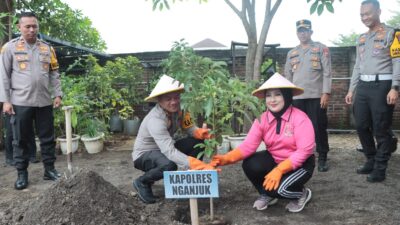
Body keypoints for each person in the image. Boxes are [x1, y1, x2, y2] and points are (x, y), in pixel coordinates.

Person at [211, 73, 315, 213]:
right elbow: (248, 146)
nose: (272, 100)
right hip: (275, 159)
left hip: (300, 165)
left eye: (277, 94)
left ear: (287, 96)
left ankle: (301, 193)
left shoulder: (300, 118)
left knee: (281, 190)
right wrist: (225, 158)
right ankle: (267, 194)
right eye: (268, 95)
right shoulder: (262, 119)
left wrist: (279, 170)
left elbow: (304, 152)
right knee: (250, 163)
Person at [0, 12, 62, 190]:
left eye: (34, 26)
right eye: (27, 26)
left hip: (43, 101)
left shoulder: (47, 48)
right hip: (20, 102)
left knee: (48, 138)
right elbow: (3, 76)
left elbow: (54, 72)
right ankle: (22, 174)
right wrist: (6, 101)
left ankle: (49, 170)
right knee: (19, 140)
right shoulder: (9, 48)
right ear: (19, 27)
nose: (31, 29)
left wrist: (57, 94)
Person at [132, 74, 215, 204]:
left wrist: (199, 133)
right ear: (159, 100)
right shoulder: (155, 120)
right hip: (144, 155)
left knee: (197, 143)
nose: (174, 102)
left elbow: (189, 128)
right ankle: (142, 182)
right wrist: (195, 163)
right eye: (168, 99)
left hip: (163, 149)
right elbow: (169, 152)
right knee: (169, 164)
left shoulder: (181, 110)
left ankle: (192, 180)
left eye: (176, 97)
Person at [345, 0, 400, 182]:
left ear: (378, 12)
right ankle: (370, 158)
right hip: (363, 86)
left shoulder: (393, 33)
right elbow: (357, 66)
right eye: (362, 15)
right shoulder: (361, 38)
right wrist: (351, 89)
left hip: (382, 86)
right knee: (360, 125)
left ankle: (380, 167)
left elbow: (397, 61)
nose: (365, 17)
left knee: (381, 128)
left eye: (368, 13)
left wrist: (395, 87)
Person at [284, 19, 332, 172]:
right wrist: (287, 98)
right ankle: (302, 157)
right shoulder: (292, 53)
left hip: (316, 96)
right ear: (297, 33)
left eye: (305, 30)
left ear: (311, 32)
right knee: (298, 130)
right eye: (300, 31)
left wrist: (326, 93)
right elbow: (288, 76)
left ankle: (323, 157)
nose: (302, 33)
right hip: (297, 98)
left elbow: (327, 72)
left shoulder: (321, 49)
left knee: (319, 127)